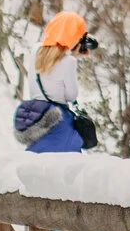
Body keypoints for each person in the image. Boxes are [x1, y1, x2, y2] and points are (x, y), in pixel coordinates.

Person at [14, 13, 99, 155]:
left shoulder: (36, 50)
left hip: (36, 116)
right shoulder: (69, 62)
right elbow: (71, 96)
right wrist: (73, 56)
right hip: (60, 122)